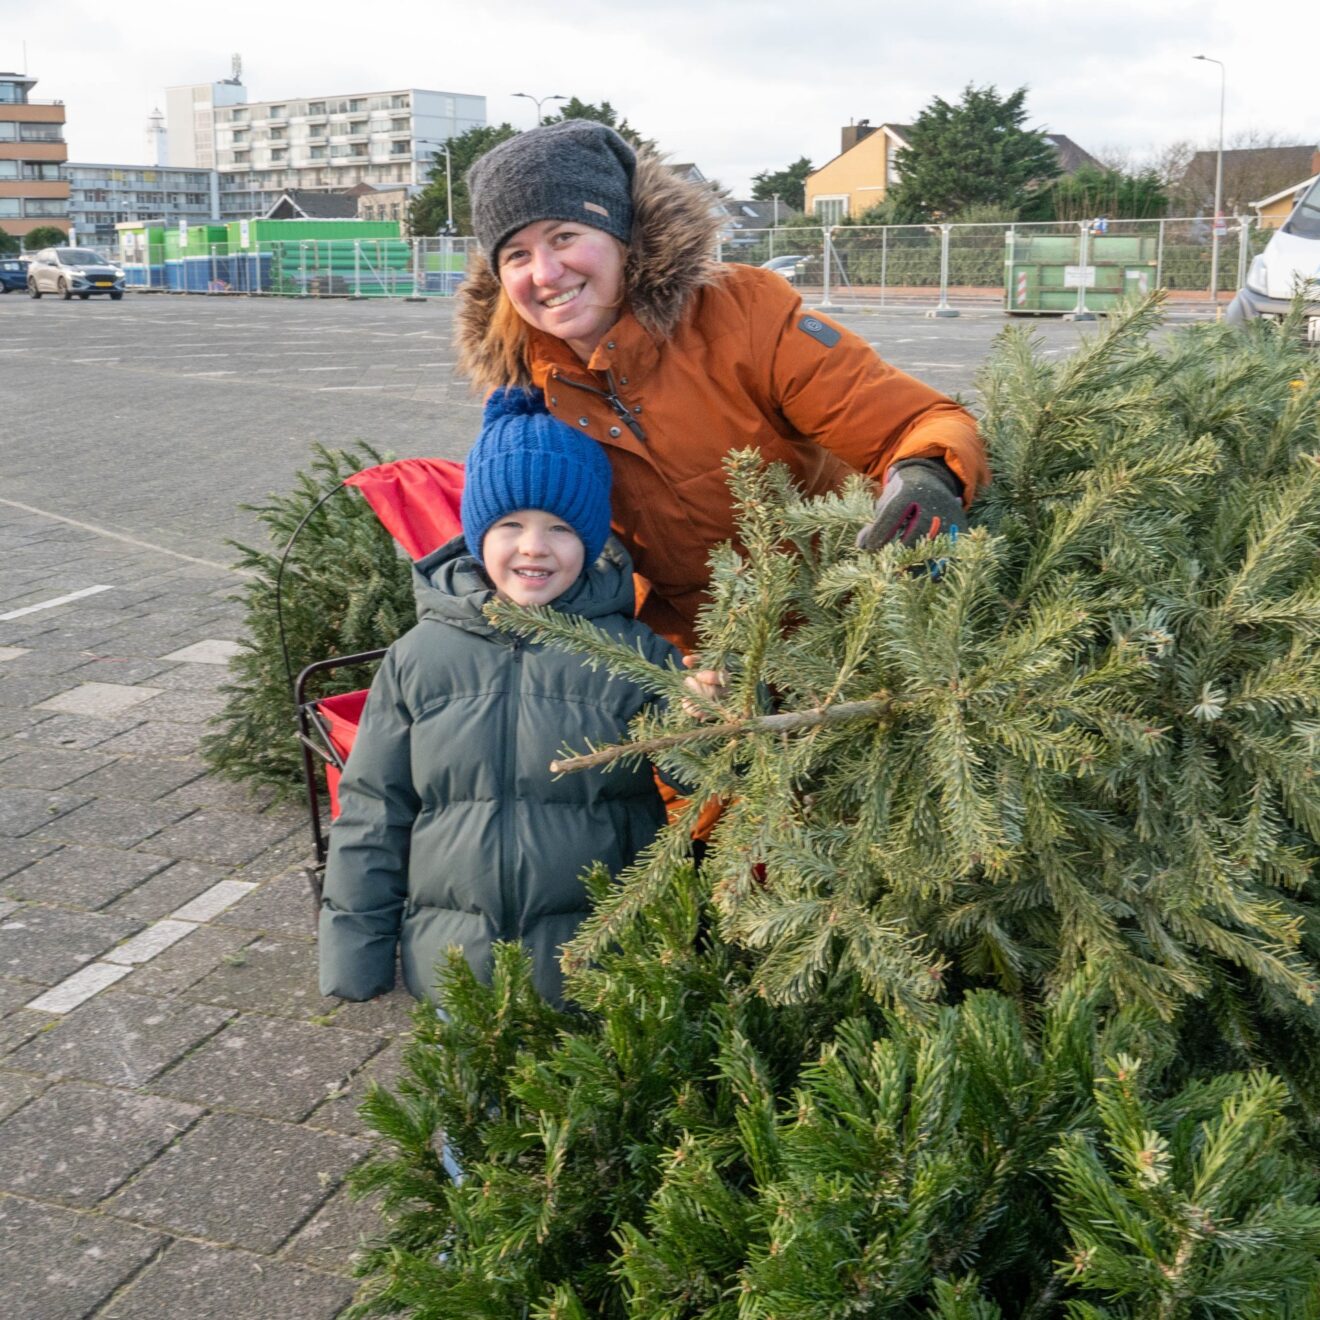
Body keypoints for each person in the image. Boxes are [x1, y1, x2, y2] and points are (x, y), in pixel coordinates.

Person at [458, 119, 992, 652]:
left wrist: (926, 475)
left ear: (623, 236)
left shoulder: (745, 314)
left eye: (564, 237)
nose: (546, 273)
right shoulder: (524, 392)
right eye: (517, 255)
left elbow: (920, 422)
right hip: (694, 656)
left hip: (847, 626)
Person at [318, 389, 706, 1008]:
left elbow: (705, 774)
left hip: (599, 965)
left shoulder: (635, 655)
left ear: (590, 541)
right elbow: (373, 809)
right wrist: (354, 952)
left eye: (560, 527)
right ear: (477, 534)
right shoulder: (419, 657)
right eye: (510, 525)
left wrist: (712, 712)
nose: (533, 546)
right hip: (454, 967)